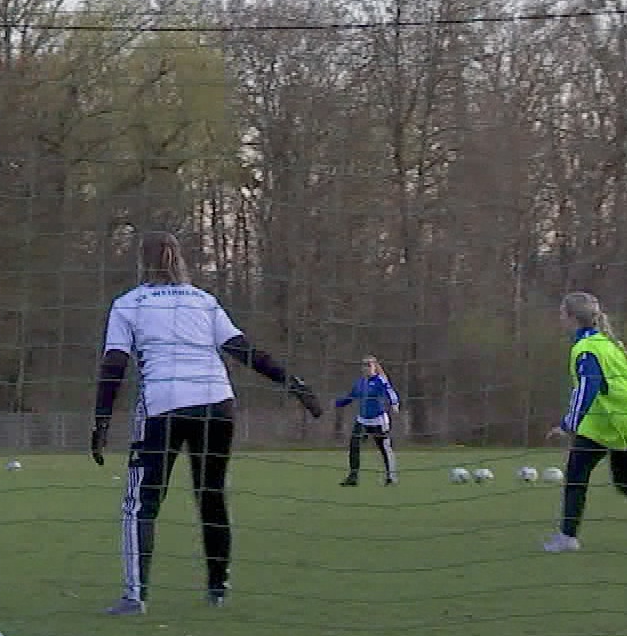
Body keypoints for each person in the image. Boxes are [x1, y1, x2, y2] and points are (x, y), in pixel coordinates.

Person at [90, 232, 326, 615]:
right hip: (217, 404)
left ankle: (135, 596)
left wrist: (101, 422)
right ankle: (218, 588)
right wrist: (293, 384)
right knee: (211, 495)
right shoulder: (203, 300)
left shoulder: (129, 304)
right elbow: (244, 350)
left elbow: (114, 365)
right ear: (179, 260)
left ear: (142, 263)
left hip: (164, 407)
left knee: (141, 504)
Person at [541, 291, 627, 553]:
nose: (560, 320)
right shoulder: (604, 343)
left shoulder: (588, 349)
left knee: (623, 479)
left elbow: (587, 388)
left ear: (571, 318)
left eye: (561, 314)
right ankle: (568, 537)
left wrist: (567, 425)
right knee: (578, 474)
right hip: (608, 424)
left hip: (625, 424)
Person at [335, 355, 401, 486]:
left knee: (384, 448)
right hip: (362, 421)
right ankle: (353, 477)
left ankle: (391, 477)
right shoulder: (360, 383)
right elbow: (351, 396)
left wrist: (394, 403)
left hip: (379, 421)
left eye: (368, 365)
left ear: (374, 367)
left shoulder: (380, 381)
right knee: (354, 445)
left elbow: (390, 391)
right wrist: (338, 403)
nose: (366, 368)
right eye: (364, 365)